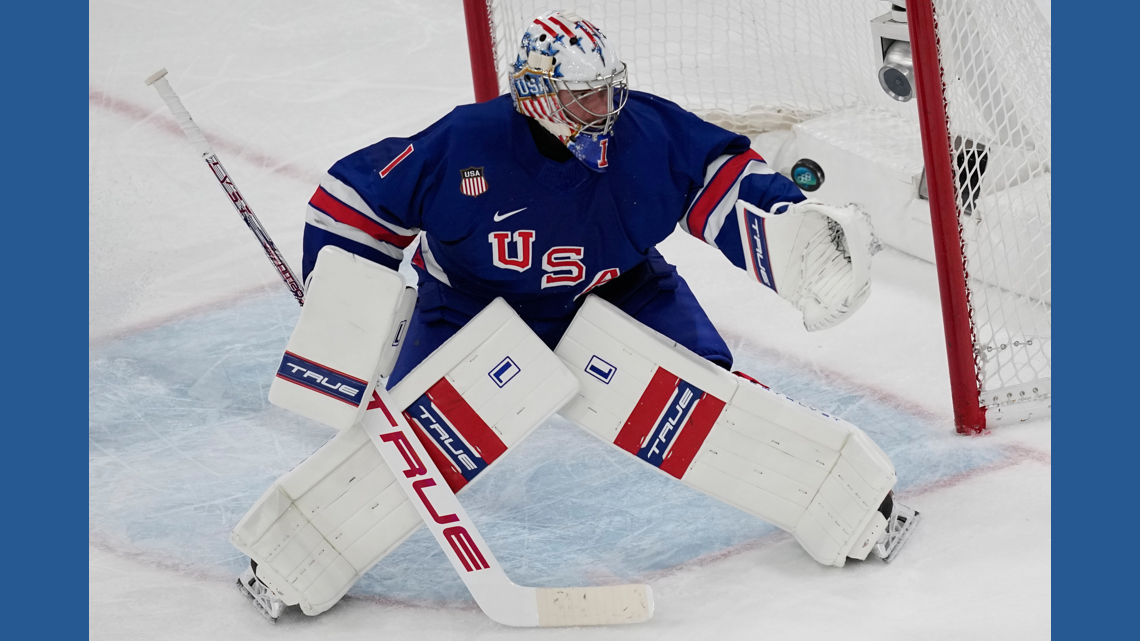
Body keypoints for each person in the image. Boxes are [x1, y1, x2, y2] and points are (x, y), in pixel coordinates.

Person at [299, 10, 867, 389]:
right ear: (536, 97)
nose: (605, 109)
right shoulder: (464, 143)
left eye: (607, 91)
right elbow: (353, 201)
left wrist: (790, 232)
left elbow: (724, 178)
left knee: (708, 390)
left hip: (619, 291)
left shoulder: (644, 133)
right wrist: (344, 308)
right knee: (413, 440)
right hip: (469, 306)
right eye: (584, 97)